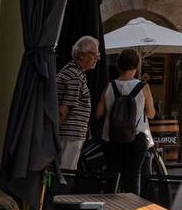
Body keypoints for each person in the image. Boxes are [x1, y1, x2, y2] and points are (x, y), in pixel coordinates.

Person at [94, 48, 156, 194]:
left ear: (119, 65)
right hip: (137, 136)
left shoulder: (110, 86)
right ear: (136, 65)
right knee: (133, 178)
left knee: (112, 177)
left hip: (111, 138)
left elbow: (98, 114)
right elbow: (151, 114)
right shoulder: (143, 87)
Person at [56, 36, 100, 169]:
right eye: (94, 54)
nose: (97, 58)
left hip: (68, 133)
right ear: (81, 55)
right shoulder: (75, 76)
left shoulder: (73, 72)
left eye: (98, 55)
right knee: (65, 172)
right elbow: (63, 110)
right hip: (69, 135)